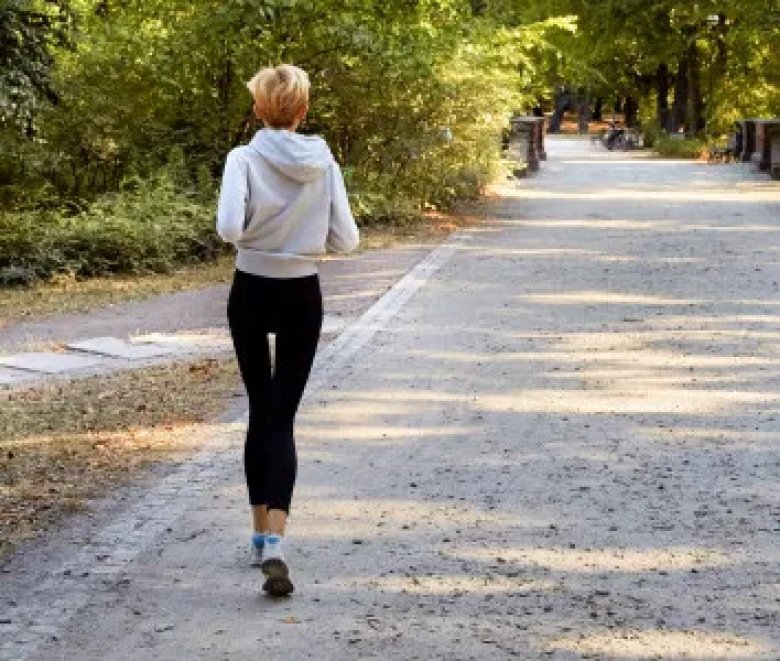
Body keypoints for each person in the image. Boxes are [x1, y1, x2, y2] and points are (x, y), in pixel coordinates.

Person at [216, 64, 359, 597]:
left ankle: (257, 536)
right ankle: (274, 539)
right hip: (302, 294)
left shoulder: (243, 159)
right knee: (284, 417)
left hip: (251, 288)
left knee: (259, 408)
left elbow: (229, 227)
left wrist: (258, 234)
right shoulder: (324, 164)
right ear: (302, 111)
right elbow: (346, 240)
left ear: (259, 109)